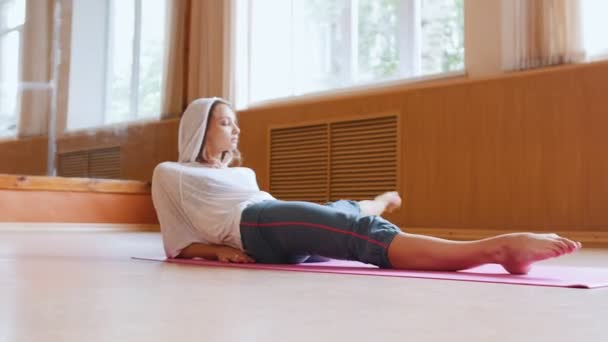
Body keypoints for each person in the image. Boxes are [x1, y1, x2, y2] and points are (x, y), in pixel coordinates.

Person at [151, 97, 582, 275]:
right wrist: (216, 251)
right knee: (357, 235)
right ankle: (496, 250)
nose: (236, 131)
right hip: (254, 224)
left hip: (271, 223)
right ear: (198, 129)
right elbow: (176, 239)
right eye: (226, 123)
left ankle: (371, 203)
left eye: (236, 123)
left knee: (337, 215)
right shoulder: (171, 173)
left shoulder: (238, 174)